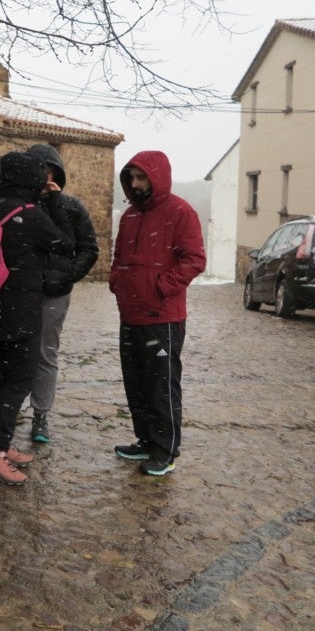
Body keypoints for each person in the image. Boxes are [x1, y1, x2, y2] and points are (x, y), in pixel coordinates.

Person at [0, 148, 75, 486]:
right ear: (32, 180)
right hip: (20, 314)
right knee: (18, 380)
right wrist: (53, 203)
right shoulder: (31, 214)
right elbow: (65, 244)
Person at [109, 150, 205, 476]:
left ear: (156, 177)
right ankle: (146, 440)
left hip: (163, 317)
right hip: (130, 314)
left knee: (161, 386)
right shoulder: (130, 216)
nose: (135, 184)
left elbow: (194, 259)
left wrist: (161, 286)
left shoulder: (180, 213)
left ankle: (165, 449)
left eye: (141, 178)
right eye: (131, 178)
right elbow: (119, 253)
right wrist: (117, 280)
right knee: (135, 384)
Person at [25, 144, 99, 444]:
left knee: (45, 353)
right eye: (40, 170)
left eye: (50, 171)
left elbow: (88, 249)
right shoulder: (18, 205)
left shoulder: (70, 206)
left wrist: (66, 276)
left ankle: (40, 414)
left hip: (54, 293)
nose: (45, 177)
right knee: (14, 352)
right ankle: (5, 411)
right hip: (21, 291)